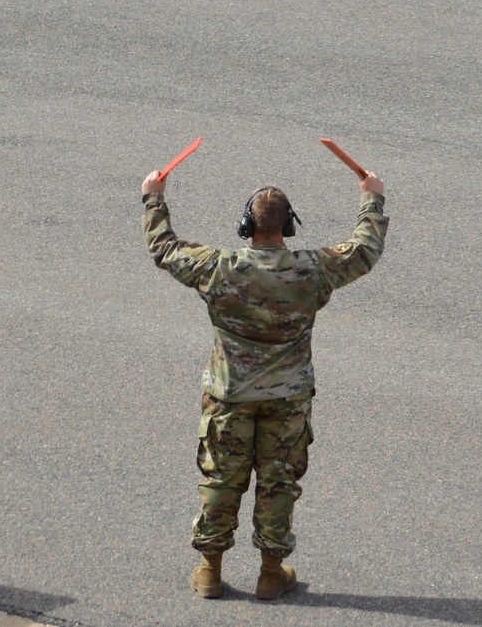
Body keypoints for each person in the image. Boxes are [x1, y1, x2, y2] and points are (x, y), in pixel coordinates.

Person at [140, 163, 387, 600]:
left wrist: (153, 196)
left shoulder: (219, 267)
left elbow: (164, 249)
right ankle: (271, 574)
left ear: (245, 225)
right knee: (278, 483)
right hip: (289, 399)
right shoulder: (313, 269)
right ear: (288, 226)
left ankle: (209, 571)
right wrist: (371, 196)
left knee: (221, 480)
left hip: (229, 397)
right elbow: (364, 250)